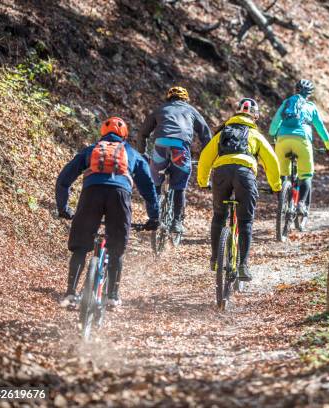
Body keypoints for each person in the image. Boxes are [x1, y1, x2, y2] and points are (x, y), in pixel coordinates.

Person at [56, 117, 160, 308]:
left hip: (91, 194)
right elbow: (148, 188)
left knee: (80, 247)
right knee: (116, 248)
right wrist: (154, 216)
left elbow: (63, 180)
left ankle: (70, 293)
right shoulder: (132, 153)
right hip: (119, 197)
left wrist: (63, 208)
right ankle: (112, 296)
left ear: (102, 134)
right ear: (125, 136)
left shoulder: (90, 150)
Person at [197, 98, 281, 282]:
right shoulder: (254, 134)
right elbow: (272, 161)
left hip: (221, 174)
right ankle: (243, 265)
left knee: (219, 215)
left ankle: (215, 260)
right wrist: (276, 186)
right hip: (244, 175)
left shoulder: (223, 133)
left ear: (236, 113)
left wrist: (203, 181)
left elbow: (205, 157)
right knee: (245, 222)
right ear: (255, 117)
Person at [137, 86, 212, 233]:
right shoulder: (191, 110)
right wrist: (206, 156)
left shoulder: (160, 109)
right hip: (180, 148)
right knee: (179, 185)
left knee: (155, 183)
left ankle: (153, 218)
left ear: (168, 98)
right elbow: (206, 134)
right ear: (185, 99)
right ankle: (176, 222)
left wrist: (142, 152)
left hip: (160, 147)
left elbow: (142, 133)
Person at [269, 79, 329, 218]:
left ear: (296, 90)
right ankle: (301, 204)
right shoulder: (311, 107)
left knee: (283, 173)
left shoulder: (287, 102)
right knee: (306, 174)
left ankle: (283, 202)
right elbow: (321, 128)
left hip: (282, 140)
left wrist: (273, 136)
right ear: (309, 94)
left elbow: (274, 123)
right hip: (302, 140)